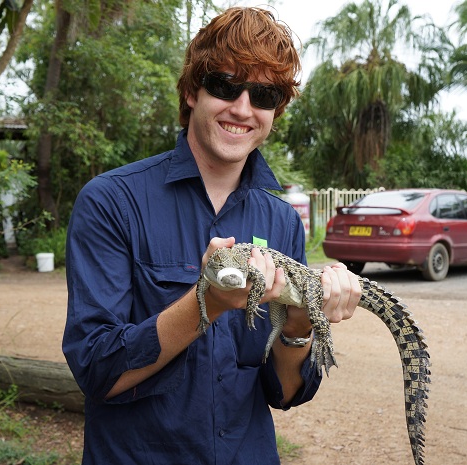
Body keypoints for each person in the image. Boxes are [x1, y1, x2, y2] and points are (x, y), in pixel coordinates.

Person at [63, 6, 362, 464]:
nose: (242, 108)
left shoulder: (281, 222)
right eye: (225, 85)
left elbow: (282, 391)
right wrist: (208, 302)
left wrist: (302, 324)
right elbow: (98, 371)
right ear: (191, 91)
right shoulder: (111, 201)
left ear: (275, 112)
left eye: (263, 94)